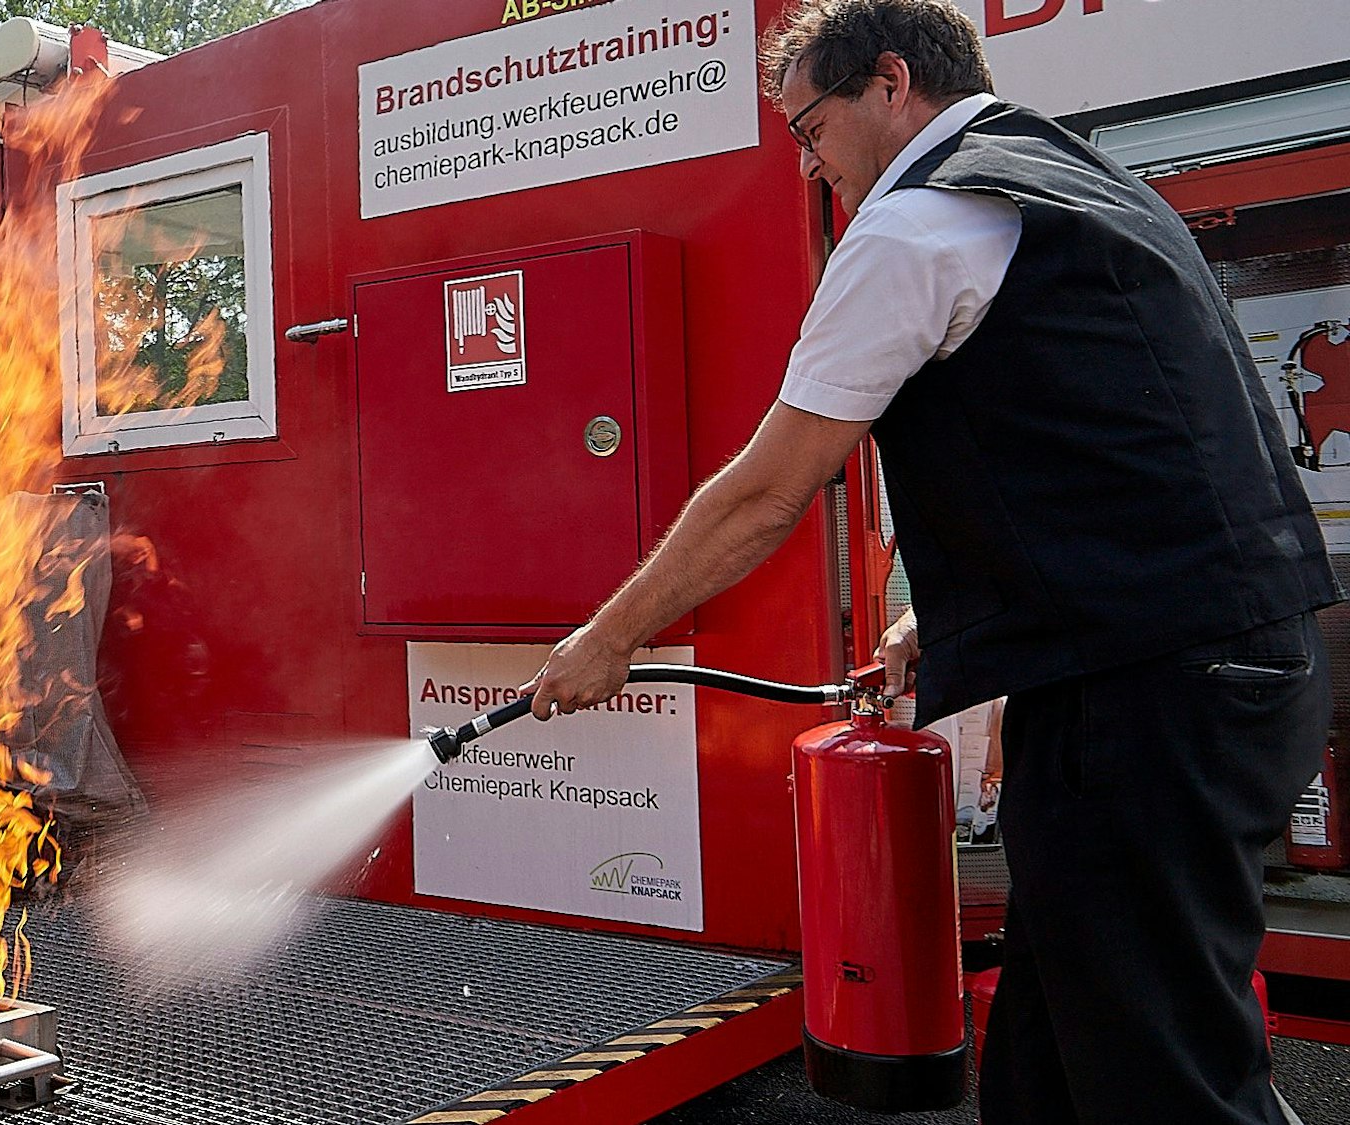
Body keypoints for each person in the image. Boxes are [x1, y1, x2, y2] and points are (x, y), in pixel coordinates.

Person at [520, 2, 1337, 1122]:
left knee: (1164, 1079)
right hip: (1219, 669)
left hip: (1144, 697)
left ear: (891, 82)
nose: (807, 165)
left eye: (809, 128)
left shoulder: (915, 222)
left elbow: (768, 489)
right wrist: (936, 617)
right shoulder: (1083, 186)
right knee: (1053, 1053)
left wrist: (609, 637)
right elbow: (1092, 439)